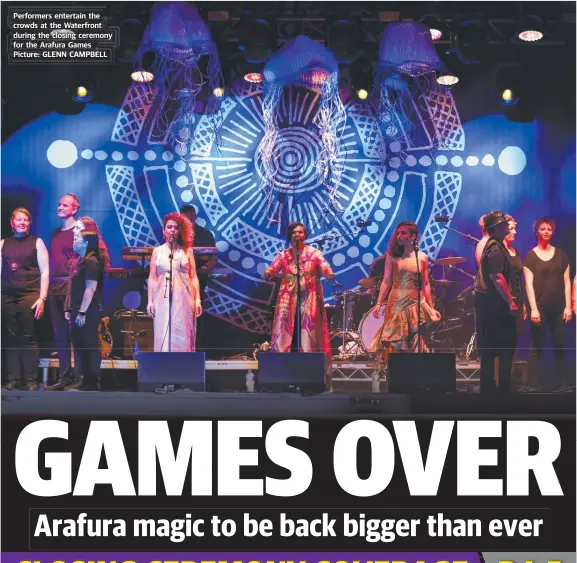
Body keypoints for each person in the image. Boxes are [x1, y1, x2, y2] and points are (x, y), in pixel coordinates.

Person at [264, 222, 335, 389]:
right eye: (295, 232)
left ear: (305, 235)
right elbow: (273, 268)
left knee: (308, 331)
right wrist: (268, 273)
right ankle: (280, 376)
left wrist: (328, 273)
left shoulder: (314, 253)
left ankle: (309, 375)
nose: (298, 235)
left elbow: (324, 265)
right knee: (286, 331)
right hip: (288, 298)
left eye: (301, 232)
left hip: (308, 296)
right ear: (290, 235)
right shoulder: (284, 255)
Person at [371, 221, 441, 358]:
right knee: (397, 341)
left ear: (413, 236)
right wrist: (379, 303)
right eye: (398, 233)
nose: (399, 236)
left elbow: (426, 283)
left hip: (416, 302)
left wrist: (430, 306)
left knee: (417, 339)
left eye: (403, 233)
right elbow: (386, 281)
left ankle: (416, 373)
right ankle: (398, 371)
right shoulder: (392, 257)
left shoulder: (422, 257)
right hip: (397, 303)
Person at [1, 208, 49, 390]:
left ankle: (30, 380)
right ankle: (13, 379)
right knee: (11, 337)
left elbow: (45, 272)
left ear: (29, 223)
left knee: (29, 337)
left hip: (30, 295)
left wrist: (42, 298)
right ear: (12, 223)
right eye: (19, 219)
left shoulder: (37, 243)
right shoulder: (3, 243)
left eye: (25, 220)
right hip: (6, 296)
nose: (22, 222)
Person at [523, 217, 572, 391]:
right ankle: (532, 383)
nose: (546, 232)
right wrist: (534, 309)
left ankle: (562, 383)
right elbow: (528, 284)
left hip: (558, 308)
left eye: (549, 229)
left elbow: (567, 283)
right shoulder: (530, 256)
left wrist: (568, 306)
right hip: (540, 308)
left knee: (559, 344)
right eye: (543, 229)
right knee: (536, 345)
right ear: (537, 231)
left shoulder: (562, 255)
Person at [474, 211, 518, 393]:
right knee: (504, 346)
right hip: (494, 306)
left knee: (491, 348)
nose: (507, 227)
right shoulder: (495, 248)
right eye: (503, 225)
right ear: (495, 228)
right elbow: (497, 277)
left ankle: (491, 389)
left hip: (490, 305)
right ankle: (500, 391)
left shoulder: (495, 245)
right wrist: (511, 302)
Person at [147, 212, 202, 352]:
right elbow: (152, 277)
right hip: (162, 298)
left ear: (180, 231)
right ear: (164, 230)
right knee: (163, 330)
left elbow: (194, 276)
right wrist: (150, 301)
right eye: (169, 227)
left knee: (182, 333)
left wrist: (197, 300)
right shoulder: (157, 251)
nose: (172, 230)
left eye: (176, 227)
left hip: (184, 298)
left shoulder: (187, 251)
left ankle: (184, 367)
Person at [63, 230, 105, 391]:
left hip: (87, 310)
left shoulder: (91, 262)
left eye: (77, 238)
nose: (74, 241)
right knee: (81, 344)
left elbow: (91, 288)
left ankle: (91, 382)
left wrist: (82, 312)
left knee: (88, 345)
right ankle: (86, 380)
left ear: (85, 243)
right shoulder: (82, 260)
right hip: (78, 309)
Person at [46, 193, 80, 389]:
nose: (60, 207)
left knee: (74, 334)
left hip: (71, 287)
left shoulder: (79, 230)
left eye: (65, 205)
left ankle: (78, 377)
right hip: (55, 287)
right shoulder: (54, 233)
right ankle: (64, 377)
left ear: (74, 209)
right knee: (60, 335)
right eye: (59, 204)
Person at [503, 214, 528, 339]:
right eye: (511, 229)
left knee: (515, 337)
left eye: (515, 229)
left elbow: (519, 278)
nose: (515, 232)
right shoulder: (499, 251)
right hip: (504, 301)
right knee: (504, 339)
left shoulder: (515, 251)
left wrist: (522, 303)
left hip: (517, 299)